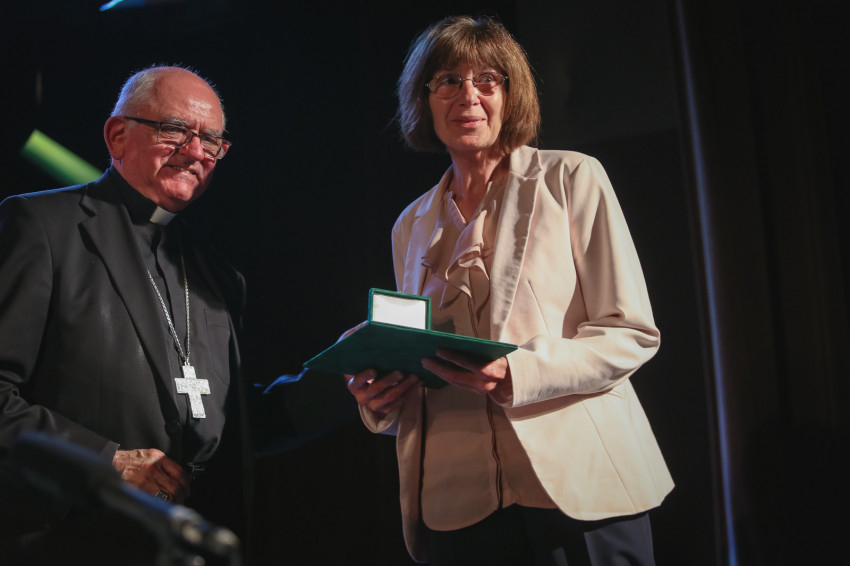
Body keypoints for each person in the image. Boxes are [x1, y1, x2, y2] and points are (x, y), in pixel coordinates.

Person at [344, 16, 674, 566]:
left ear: (510, 93)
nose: (468, 96)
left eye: (487, 80)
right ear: (424, 99)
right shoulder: (410, 224)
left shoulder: (571, 178)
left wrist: (518, 372)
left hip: (576, 488)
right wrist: (383, 395)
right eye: (448, 81)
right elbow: (425, 356)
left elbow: (630, 333)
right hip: (458, 502)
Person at [0, 65, 354, 565]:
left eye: (211, 141)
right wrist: (105, 461)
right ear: (117, 135)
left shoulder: (217, 274)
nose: (195, 152)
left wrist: (348, 377)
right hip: (71, 543)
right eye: (174, 130)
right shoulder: (42, 227)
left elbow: (238, 427)